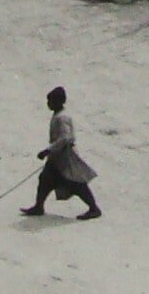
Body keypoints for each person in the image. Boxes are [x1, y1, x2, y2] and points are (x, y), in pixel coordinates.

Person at [21, 86, 102, 220]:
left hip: (65, 157)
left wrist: (48, 150)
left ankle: (94, 208)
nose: (48, 104)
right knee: (45, 179)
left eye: (50, 101)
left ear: (58, 101)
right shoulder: (58, 115)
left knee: (77, 183)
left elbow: (65, 137)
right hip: (57, 157)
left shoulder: (62, 118)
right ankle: (38, 206)